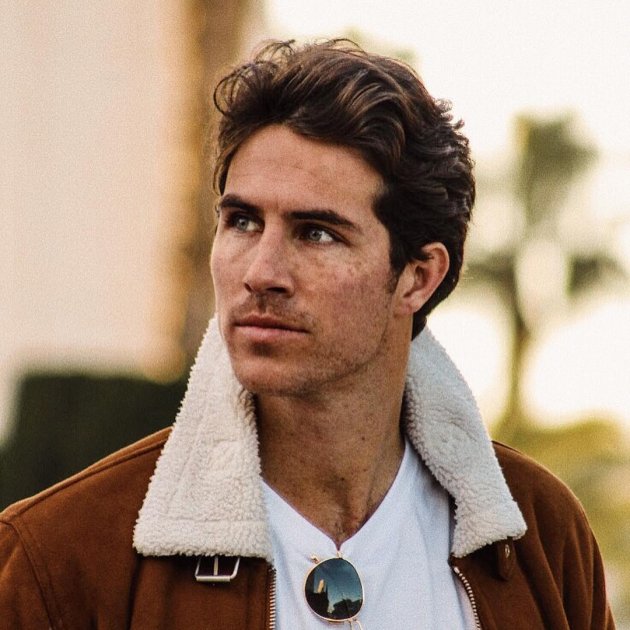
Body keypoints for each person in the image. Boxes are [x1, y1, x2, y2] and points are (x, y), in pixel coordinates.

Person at [0, 39, 614, 629]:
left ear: (418, 277)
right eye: (242, 222)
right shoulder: (61, 559)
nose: (260, 272)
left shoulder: (538, 539)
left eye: (316, 232)